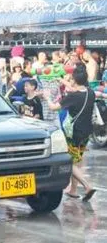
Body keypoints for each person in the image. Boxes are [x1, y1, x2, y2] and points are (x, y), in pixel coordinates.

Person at [44, 64, 96, 202]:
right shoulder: (90, 92)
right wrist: (62, 80)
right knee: (77, 160)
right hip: (86, 132)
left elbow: (53, 107)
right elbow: (76, 89)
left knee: (70, 161)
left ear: (74, 80)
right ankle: (73, 190)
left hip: (73, 133)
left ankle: (87, 185)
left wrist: (47, 97)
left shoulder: (71, 97)